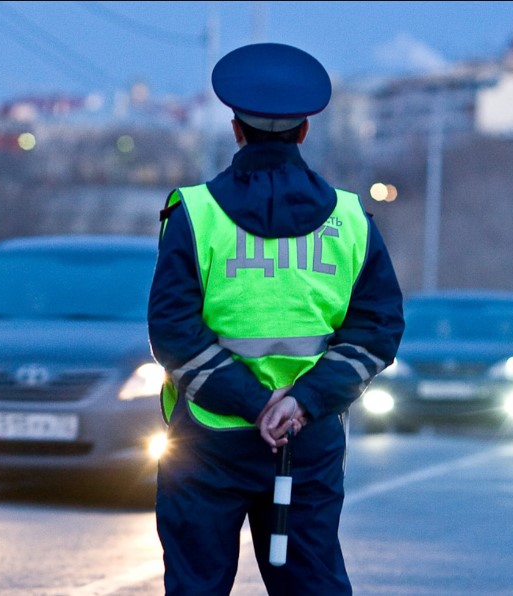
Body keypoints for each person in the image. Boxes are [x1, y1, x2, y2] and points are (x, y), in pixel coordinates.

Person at [147, 42, 405, 595]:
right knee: (311, 586)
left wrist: (251, 402)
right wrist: (299, 403)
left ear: (236, 129)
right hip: (305, 443)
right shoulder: (351, 220)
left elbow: (173, 332)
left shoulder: (194, 214)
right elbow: (376, 331)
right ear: (304, 132)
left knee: (196, 586)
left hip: (206, 444)